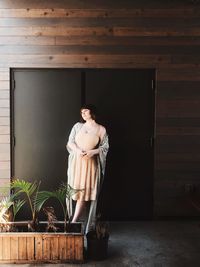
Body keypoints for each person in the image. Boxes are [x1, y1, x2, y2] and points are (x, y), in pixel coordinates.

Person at [66, 104, 109, 233]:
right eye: (81, 112)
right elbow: (70, 142)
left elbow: (105, 148)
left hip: (90, 166)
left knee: (83, 196)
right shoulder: (77, 126)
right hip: (77, 164)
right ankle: (77, 223)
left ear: (92, 111)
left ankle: (73, 224)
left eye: (85, 110)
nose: (83, 113)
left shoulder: (101, 129)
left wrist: (93, 152)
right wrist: (78, 151)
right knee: (78, 194)